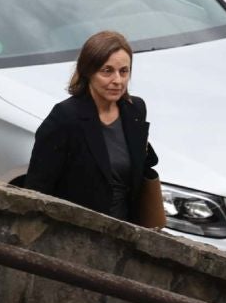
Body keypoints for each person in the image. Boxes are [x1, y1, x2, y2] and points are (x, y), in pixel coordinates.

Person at [22, 30, 163, 227]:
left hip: (127, 230)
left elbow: (142, 166)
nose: (118, 80)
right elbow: (38, 187)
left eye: (124, 71)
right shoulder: (65, 117)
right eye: (107, 71)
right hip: (77, 231)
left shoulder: (135, 109)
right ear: (88, 72)